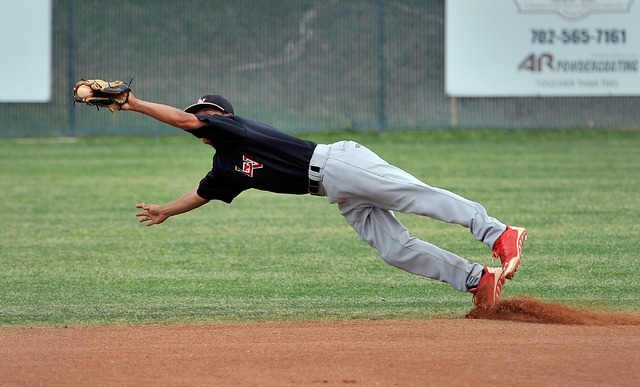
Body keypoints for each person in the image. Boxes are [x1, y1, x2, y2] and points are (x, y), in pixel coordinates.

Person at [122, 92, 526, 307]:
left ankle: (499, 232)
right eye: (199, 112)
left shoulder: (235, 129)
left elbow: (180, 119)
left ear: (222, 116)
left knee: (416, 197)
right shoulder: (226, 166)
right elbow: (203, 193)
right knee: (394, 249)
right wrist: (165, 211)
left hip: (339, 164)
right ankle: (478, 280)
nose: (201, 116)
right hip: (335, 189)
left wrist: (134, 104)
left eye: (206, 112)